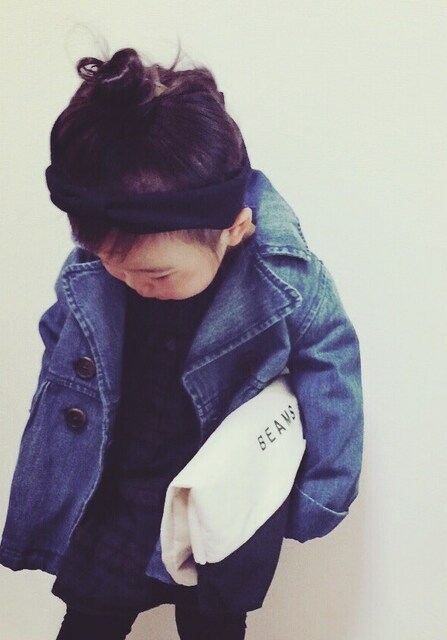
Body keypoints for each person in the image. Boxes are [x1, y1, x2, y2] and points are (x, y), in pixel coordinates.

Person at [0, 47, 363, 640]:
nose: (130, 282)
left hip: (219, 498)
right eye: (110, 263)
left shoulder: (285, 281)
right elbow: (62, 330)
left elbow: (333, 371)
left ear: (233, 229)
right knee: (89, 618)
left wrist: (322, 493)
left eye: (156, 274)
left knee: (214, 623)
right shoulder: (97, 268)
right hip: (120, 489)